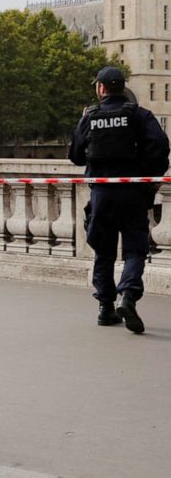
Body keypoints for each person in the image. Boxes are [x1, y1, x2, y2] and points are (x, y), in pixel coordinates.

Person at [69, 66, 169, 334]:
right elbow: (160, 148)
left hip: (101, 194)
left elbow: (76, 156)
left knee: (104, 251)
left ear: (101, 88)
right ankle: (129, 296)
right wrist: (148, 178)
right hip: (133, 192)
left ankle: (105, 307)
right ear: (123, 88)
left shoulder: (90, 117)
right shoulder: (139, 115)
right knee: (136, 249)